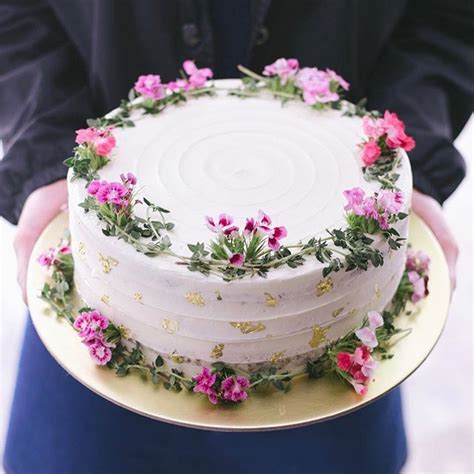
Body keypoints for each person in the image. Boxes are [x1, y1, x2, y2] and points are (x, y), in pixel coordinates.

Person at [1, 1, 472, 473]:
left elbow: (449, 18)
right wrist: (44, 141)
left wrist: (411, 145)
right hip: (113, 304)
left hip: (327, 323)